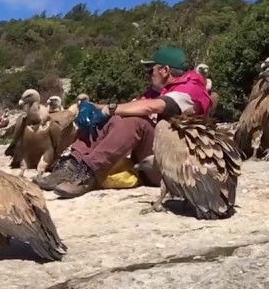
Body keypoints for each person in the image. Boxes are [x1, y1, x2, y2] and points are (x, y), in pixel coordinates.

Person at [38, 46, 213, 198]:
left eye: (150, 70)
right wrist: (94, 108)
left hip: (175, 167)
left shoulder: (190, 90)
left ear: (164, 70)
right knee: (116, 117)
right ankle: (72, 165)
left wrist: (109, 109)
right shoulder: (159, 91)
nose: (148, 74)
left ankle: (90, 173)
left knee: (135, 121)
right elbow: (128, 108)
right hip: (154, 159)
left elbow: (152, 107)